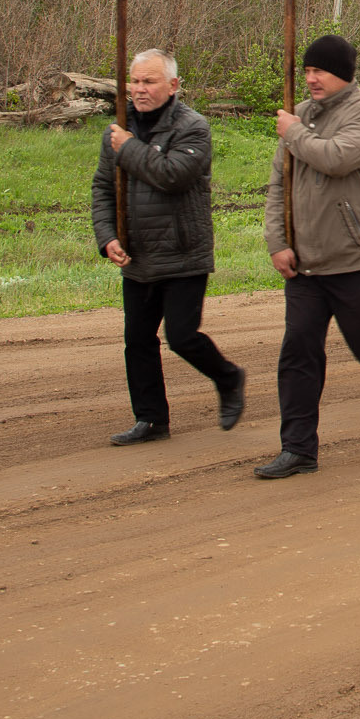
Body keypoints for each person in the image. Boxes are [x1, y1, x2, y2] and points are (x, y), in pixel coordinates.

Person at [255, 35, 360, 479]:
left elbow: (335, 158)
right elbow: (279, 183)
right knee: (298, 353)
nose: (311, 78)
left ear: (345, 74)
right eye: (308, 70)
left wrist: (292, 131)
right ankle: (298, 449)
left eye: (321, 71)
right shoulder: (301, 114)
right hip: (306, 263)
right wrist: (278, 241)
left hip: (358, 259)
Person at [92, 49, 245, 446]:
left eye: (150, 82)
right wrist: (107, 236)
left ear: (173, 85)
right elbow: (103, 188)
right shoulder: (119, 129)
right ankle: (151, 419)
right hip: (138, 254)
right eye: (136, 82)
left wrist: (127, 147)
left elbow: (172, 175)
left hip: (183, 252)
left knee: (182, 336)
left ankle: (228, 377)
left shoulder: (193, 127)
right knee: (138, 340)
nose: (140, 90)